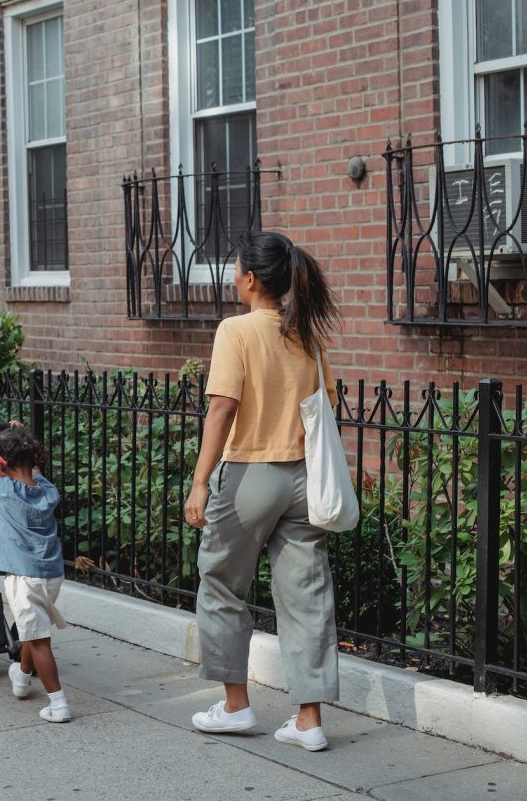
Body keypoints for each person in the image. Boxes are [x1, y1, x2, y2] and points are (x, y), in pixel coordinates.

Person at [183, 231, 341, 752]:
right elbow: (323, 407)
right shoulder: (307, 337)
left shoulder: (236, 330)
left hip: (250, 476)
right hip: (303, 480)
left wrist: (201, 482)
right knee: (306, 596)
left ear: (250, 279)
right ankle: (308, 721)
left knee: (223, 584)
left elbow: (222, 408)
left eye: (235, 269)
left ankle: (235, 707)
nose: (233, 277)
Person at [0, 420, 71, 723]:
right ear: (34, 461)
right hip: (52, 573)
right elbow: (35, 471)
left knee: (39, 639)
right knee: (33, 629)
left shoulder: (2, 491)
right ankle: (20, 678)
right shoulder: (47, 489)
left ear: (1, 466)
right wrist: (17, 434)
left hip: (24, 577)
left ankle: (58, 704)